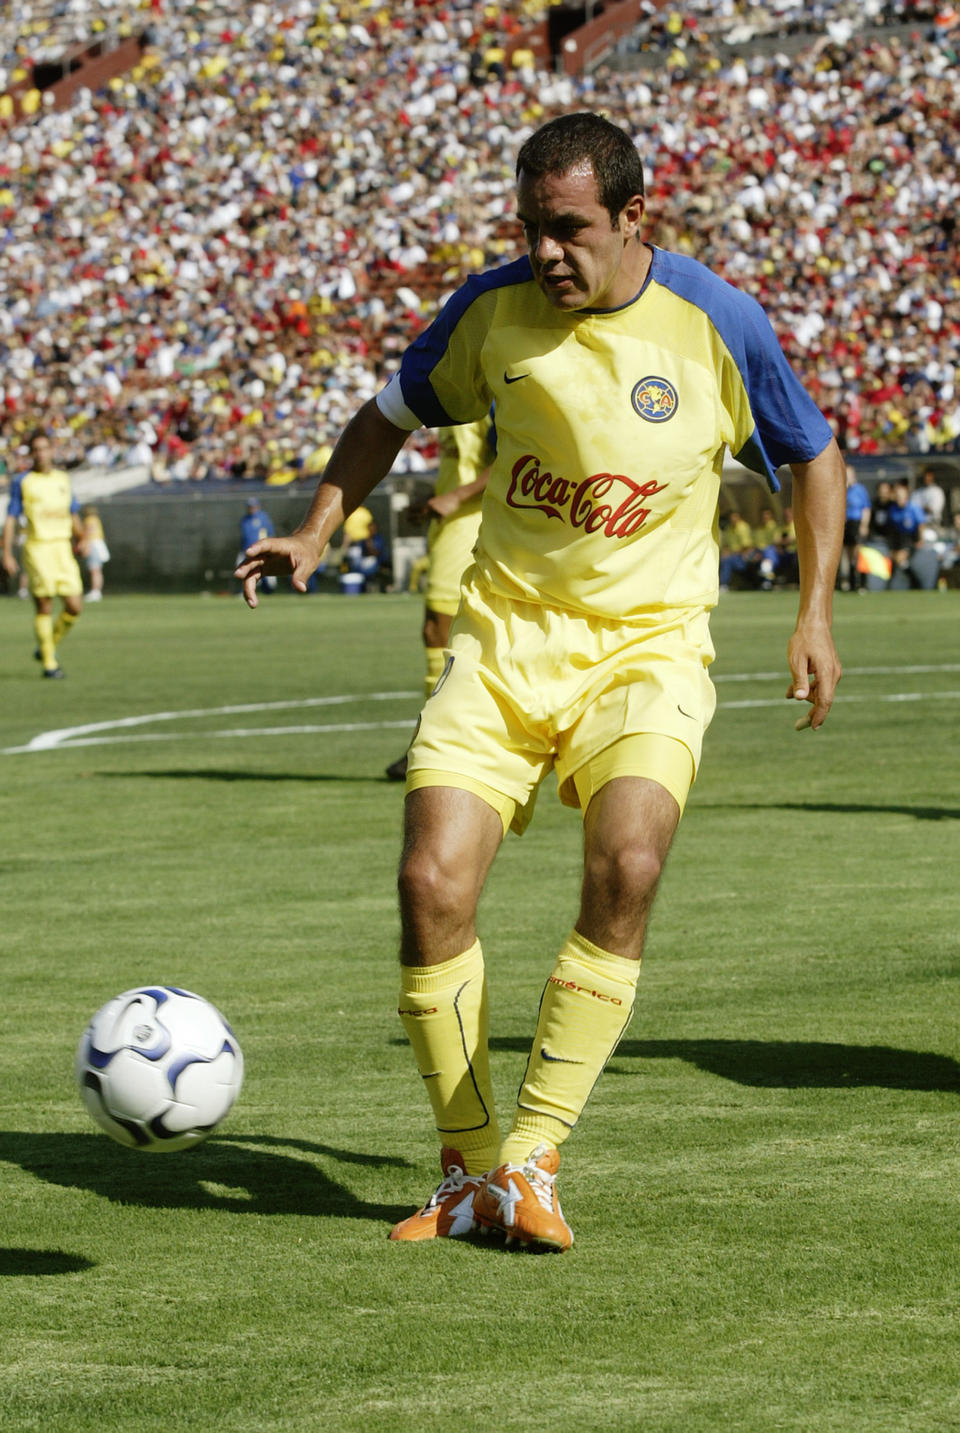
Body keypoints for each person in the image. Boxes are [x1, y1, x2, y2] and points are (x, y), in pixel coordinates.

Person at [236, 112, 844, 1252]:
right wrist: (320, 528)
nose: (546, 253)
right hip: (507, 638)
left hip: (650, 643)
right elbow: (388, 415)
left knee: (629, 859)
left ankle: (536, 1157)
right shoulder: (490, 311)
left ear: (632, 218)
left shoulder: (718, 320)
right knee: (431, 882)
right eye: (530, 229)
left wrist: (813, 611)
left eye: (567, 230)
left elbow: (812, 452)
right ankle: (469, 1172)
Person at [386, 415, 496, 781]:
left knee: (441, 629)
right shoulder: (459, 387)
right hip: (453, 521)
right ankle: (440, 743)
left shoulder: (493, 383)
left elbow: (517, 455)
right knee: (448, 633)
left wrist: (456, 496)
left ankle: (433, 746)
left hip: (472, 521)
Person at [2, 430, 87, 678]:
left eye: (44, 448)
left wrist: (83, 539)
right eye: (36, 449)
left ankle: (48, 645)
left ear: (52, 450)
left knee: (74, 605)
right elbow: (10, 519)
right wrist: (6, 553)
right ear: (31, 453)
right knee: (45, 604)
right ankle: (50, 665)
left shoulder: (62, 479)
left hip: (62, 547)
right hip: (38, 547)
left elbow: (73, 514)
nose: (40, 453)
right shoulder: (23, 481)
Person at [841, 464, 871, 593]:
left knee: (857, 552)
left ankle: (861, 582)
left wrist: (864, 525)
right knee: (847, 553)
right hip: (845, 523)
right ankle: (850, 582)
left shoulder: (860, 490)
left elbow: (866, 508)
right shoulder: (842, 489)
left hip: (856, 522)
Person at [237, 498, 276, 594]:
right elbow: (244, 536)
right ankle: (244, 591)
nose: (251, 508)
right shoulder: (244, 520)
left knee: (266, 573)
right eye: (249, 506)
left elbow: (270, 533)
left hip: (261, 551)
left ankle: (268, 592)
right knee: (242, 570)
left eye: (253, 506)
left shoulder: (263, 517)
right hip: (246, 550)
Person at [80, 504, 110, 601]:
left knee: (94, 569)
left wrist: (84, 544)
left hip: (93, 544)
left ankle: (95, 591)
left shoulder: (90, 519)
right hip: (98, 544)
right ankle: (96, 591)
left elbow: (89, 531)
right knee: (97, 570)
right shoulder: (95, 518)